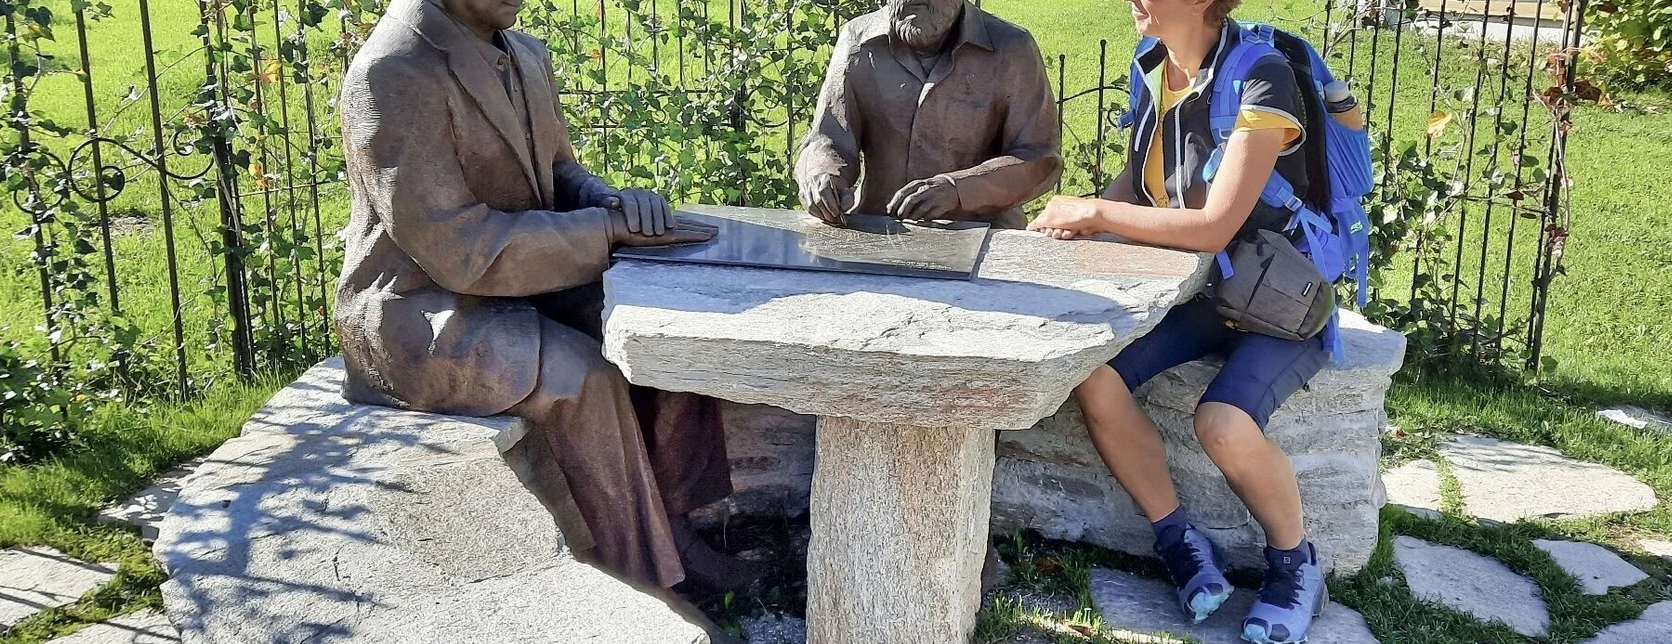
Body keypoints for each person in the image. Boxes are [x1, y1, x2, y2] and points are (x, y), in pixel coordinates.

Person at [334, 0, 748, 632]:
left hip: (516, 278)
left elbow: (558, 173)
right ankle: (644, 581)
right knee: (580, 373)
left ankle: (678, 527)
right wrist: (602, 233)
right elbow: (459, 249)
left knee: (661, 328)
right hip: (421, 308)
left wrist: (614, 205)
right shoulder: (393, 72)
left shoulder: (525, 55)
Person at [1027, 0, 1364, 641]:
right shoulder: (1153, 63)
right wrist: (1075, 219)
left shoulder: (1262, 76)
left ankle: (1296, 568)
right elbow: (1141, 178)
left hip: (1279, 300)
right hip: (1207, 297)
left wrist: (1098, 215)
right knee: (1096, 378)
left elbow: (1214, 227)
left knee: (1223, 424)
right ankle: (1181, 541)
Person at [795, 0, 1063, 229]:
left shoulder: (1012, 49)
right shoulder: (857, 41)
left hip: (983, 237)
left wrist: (958, 189)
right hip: (879, 232)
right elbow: (828, 138)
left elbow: (1040, 158)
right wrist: (821, 176)